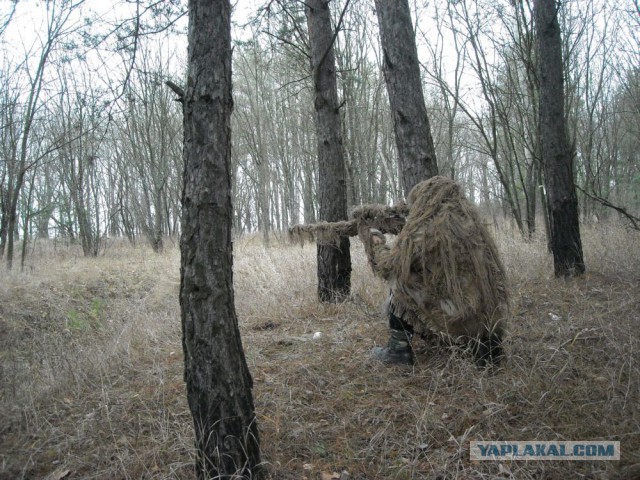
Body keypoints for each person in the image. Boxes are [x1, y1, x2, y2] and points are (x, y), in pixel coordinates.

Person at [358, 176, 509, 367]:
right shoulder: (471, 226)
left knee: (401, 277)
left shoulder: (426, 230)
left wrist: (377, 245)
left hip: (460, 321)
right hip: (493, 325)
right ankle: (486, 348)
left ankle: (398, 349)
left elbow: (389, 266)